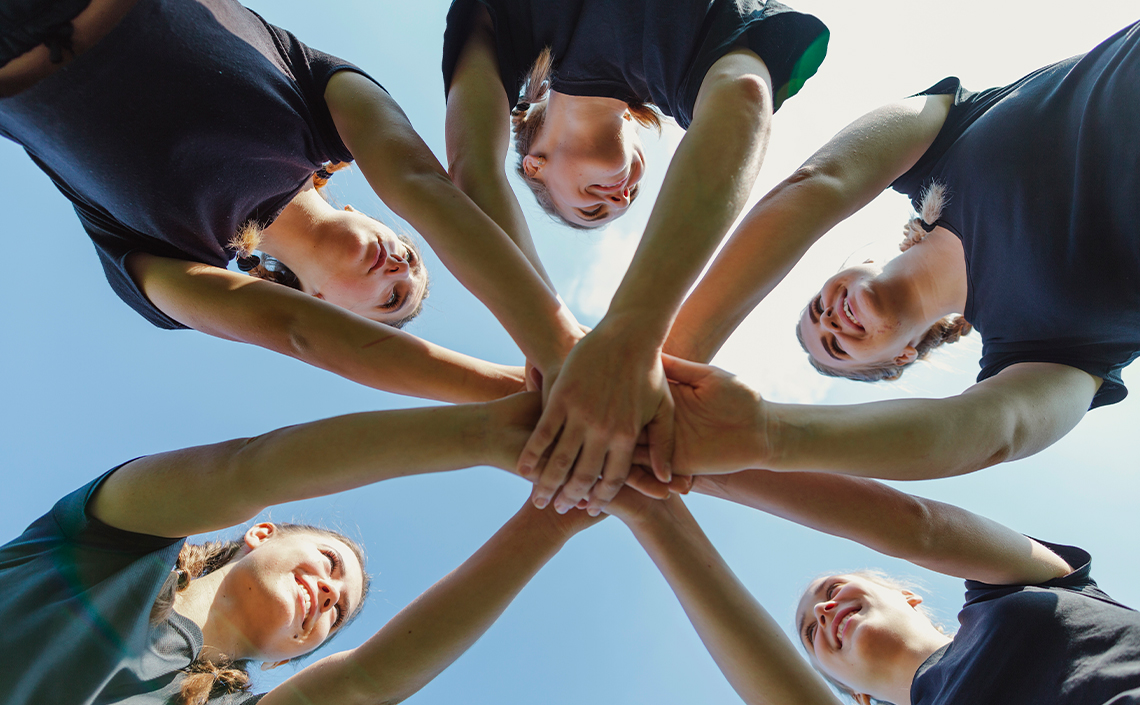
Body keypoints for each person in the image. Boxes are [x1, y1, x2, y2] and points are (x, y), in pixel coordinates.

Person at [0, 0, 589, 404]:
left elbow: (294, 332)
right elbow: (421, 182)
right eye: (413, 257)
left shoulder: (174, 257)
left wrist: (527, 392)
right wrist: (559, 345)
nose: (401, 270)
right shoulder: (322, 110)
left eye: (391, 299)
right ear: (364, 211)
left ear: (323, 304)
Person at [662, 21, 1140, 480]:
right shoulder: (1037, 350)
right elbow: (997, 432)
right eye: (836, 347)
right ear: (901, 358)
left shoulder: (936, 148)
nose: (830, 322)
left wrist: (663, 365)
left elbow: (820, 182)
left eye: (817, 308)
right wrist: (766, 434)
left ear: (849, 271)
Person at [0, 391, 643, 705]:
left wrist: (552, 520)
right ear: (259, 533)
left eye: (335, 616)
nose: (330, 595)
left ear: (286, 661)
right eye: (331, 566)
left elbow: (370, 679)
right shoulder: (109, 545)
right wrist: (494, 432)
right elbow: (249, 470)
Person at [442, 0, 829, 512]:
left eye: (590, 206)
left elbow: (473, 172)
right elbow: (743, 93)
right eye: (617, 206)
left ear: (534, 167)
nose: (620, 197)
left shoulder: (507, 38)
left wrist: (563, 343)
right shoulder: (681, 66)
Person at [607, 474, 1140, 705]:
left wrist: (686, 469)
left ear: (907, 595)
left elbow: (919, 524)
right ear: (854, 694)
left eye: (833, 589)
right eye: (811, 632)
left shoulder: (1005, 594)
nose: (825, 610)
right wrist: (650, 512)